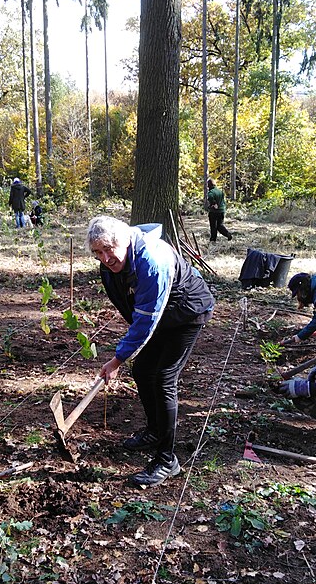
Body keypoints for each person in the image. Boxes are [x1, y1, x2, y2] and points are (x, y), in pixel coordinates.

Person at [87, 215, 215, 486]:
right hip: (161, 314)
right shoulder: (110, 266)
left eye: (108, 250)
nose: (105, 258)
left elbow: (146, 318)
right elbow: (129, 307)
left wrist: (118, 358)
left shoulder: (152, 261)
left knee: (163, 379)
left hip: (188, 312)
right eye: (98, 253)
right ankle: (155, 432)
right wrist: (131, 349)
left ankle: (167, 461)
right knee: (143, 369)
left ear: (123, 242)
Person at [281, 272, 316, 345]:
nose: (299, 298)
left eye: (298, 293)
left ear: (303, 288)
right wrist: (301, 336)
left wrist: (300, 336)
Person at [206, 178, 232, 243]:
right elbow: (223, 201)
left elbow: (210, 197)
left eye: (208, 185)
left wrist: (214, 203)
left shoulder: (211, 192)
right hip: (222, 211)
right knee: (220, 225)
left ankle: (213, 240)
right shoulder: (220, 191)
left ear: (209, 185)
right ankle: (227, 234)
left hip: (214, 212)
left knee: (213, 226)